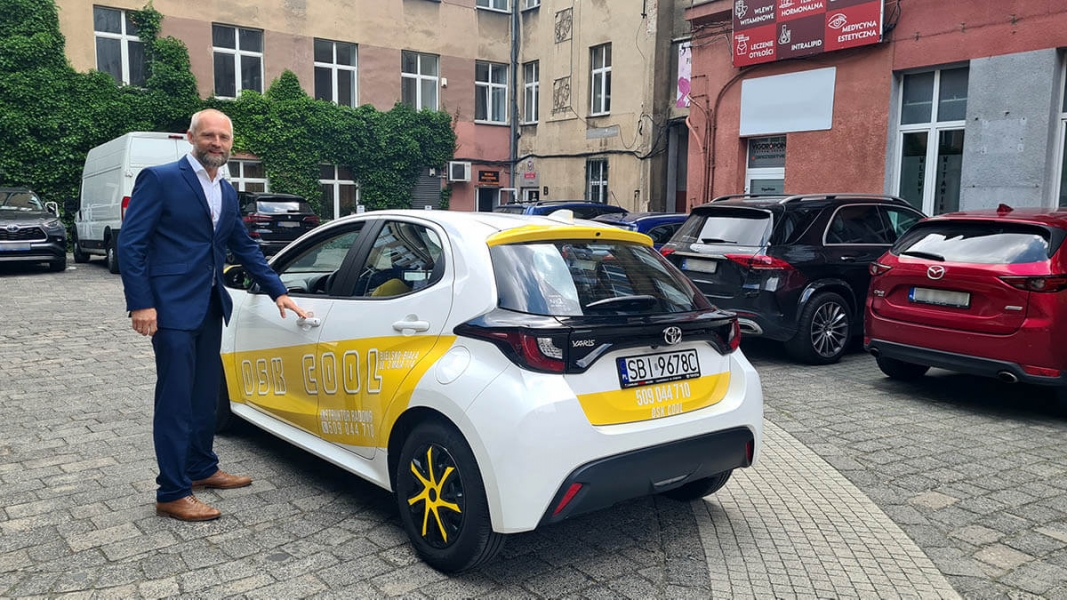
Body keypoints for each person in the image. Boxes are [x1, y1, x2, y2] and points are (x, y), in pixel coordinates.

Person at [118, 109, 307, 522]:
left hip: (209, 305)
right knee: (176, 401)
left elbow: (243, 245)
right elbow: (132, 245)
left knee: (205, 396)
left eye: (223, 137)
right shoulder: (161, 179)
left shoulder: (225, 189)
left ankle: (201, 468)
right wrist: (141, 303)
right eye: (209, 136)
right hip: (169, 309)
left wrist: (277, 290)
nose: (216, 143)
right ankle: (172, 492)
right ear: (191, 137)